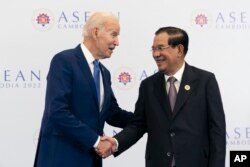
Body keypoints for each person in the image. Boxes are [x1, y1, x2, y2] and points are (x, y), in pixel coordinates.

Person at [97, 26, 226, 167]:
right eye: (153, 49)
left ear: (179, 50)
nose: (156, 54)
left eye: (160, 48)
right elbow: (138, 125)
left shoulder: (205, 80)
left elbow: (217, 131)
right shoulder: (148, 85)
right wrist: (115, 142)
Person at [33, 12, 133, 167]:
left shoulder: (104, 73)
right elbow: (57, 111)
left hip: (90, 160)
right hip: (61, 158)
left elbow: (113, 114)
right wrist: (96, 141)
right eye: (114, 34)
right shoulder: (64, 61)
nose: (117, 42)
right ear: (95, 32)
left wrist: (148, 119)